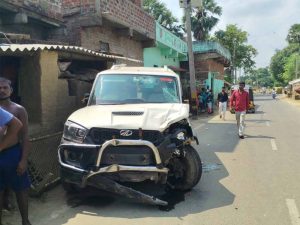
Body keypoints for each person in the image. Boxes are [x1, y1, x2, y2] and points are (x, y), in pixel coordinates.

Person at [0, 77, 31, 225]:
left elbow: (25, 136)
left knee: (21, 189)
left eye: (5, 87)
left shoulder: (18, 110)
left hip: (12, 153)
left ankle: (25, 221)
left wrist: (23, 160)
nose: (1, 90)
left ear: (11, 90)